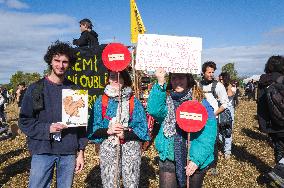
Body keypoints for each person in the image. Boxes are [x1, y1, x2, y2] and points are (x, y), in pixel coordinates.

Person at [19, 41, 88, 188]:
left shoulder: (75, 90)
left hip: (68, 151)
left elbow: (82, 127)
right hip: (42, 150)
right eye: (57, 60)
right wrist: (47, 129)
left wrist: (81, 152)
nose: (60, 65)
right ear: (50, 61)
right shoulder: (35, 89)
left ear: (69, 64)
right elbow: (25, 121)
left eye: (65, 62)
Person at [147, 68, 217, 188]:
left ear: (188, 79)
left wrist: (196, 160)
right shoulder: (166, 100)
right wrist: (160, 83)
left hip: (194, 158)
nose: (177, 81)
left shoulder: (200, 102)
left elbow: (208, 134)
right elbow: (154, 110)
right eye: (174, 78)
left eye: (181, 77)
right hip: (169, 155)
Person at [88, 70, 150, 188]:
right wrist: (108, 130)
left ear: (124, 80)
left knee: (131, 183)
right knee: (110, 183)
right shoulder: (100, 101)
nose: (115, 80)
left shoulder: (134, 102)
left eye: (119, 77)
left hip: (131, 149)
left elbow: (143, 130)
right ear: (108, 80)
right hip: (108, 148)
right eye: (112, 77)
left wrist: (125, 135)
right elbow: (92, 129)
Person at [257, 55, 284, 186]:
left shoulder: (263, 81)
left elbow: (260, 103)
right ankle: (280, 175)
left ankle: (279, 174)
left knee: (279, 148)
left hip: (271, 124)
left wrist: (264, 125)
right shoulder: (282, 79)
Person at [199, 61, 229, 174]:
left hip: (212, 120)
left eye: (213, 72)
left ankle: (213, 166)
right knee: (201, 141)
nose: (211, 74)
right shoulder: (198, 85)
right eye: (209, 72)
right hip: (200, 119)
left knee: (213, 142)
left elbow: (225, 104)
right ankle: (201, 163)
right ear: (203, 72)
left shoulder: (218, 86)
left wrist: (213, 114)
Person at [219, 72, 235, 159]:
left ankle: (227, 151)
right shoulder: (217, 87)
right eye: (219, 79)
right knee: (220, 131)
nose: (220, 81)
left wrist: (227, 85)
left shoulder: (231, 87)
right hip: (220, 111)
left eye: (222, 79)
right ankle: (222, 147)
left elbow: (230, 94)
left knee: (228, 131)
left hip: (228, 112)